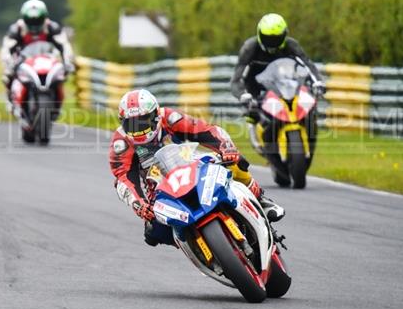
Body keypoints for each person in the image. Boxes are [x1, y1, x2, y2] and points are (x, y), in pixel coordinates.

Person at [108, 89, 285, 248]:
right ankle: (197, 246)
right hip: (160, 190)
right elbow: (123, 178)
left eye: (142, 122)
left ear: (155, 116)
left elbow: (205, 130)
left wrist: (225, 147)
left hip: (191, 167)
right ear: (123, 123)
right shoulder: (121, 142)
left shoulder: (169, 118)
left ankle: (260, 198)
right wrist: (139, 203)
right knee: (153, 233)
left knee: (236, 162)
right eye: (132, 125)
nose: (139, 130)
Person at [231, 13, 325, 113]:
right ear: (259, 34)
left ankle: (309, 126)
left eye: (276, 38)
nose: (272, 43)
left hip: (284, 88)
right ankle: (253, 128)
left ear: (285, 35)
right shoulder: (250, 48)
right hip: (256, 90)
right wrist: (243, 94)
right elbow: (237, 78)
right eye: (267, 38)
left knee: (309, 108)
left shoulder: (291, 46)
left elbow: (308, 65)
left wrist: (317, 82)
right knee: (252, 114)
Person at [0, 0, 75, 107]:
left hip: (47, 60)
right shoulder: (17, 29)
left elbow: (64, 46)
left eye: (37, 20)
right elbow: (6, 49)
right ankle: (11, 99)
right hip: (23, 60)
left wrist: (68, 62)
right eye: (30, 20)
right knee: (8, 76)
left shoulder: (52, 27)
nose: (34, 23)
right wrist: (8, 64)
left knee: (61, 76)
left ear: (44, 17)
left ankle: (56, 101)